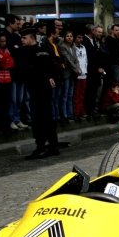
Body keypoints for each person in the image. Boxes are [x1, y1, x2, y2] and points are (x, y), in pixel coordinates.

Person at [20, 24, 59, 159]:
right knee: (46, 118)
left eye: (24, 38)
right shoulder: (41, 51)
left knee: (40, 119)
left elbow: (37, 71)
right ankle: (51, 145)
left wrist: (49, 78)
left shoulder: (33, 53)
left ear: (32, 38)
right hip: (40, 89)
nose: (22, 40)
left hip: (38, 90)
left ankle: (42, 146)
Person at [58, 30, 80, 121]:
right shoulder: (62, 47)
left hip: (72, 74)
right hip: (67, 72)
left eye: (71, 36)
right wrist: (76, 69)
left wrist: (78, 68)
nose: (69, 38)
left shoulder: (74, 47)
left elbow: (76, 60)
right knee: (65, 94)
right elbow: (68, 60)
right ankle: (64, 114)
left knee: (70, 95)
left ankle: (70, 113)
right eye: (67, 36)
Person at [82, 24, 104, 118]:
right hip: (90, 70)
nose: (97, 33)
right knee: (89, 91)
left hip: (96, 71)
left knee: (94, 91)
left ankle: (92, 110)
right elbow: (90, 56)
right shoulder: (85, 40)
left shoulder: (94, 41)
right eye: (96, 30)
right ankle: (88, 110)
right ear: (92, 31)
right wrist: (97, 67)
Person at [72, 32, 88, 120]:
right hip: (77, 74)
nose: (80, 39)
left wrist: (85, 70)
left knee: (82, 95)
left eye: (82, 37)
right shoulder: (73, 48)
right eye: (79, 37)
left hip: (84, 74)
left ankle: (82, 110)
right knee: (76, 95)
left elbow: (85, 60)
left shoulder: (83, 47)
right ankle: (76, 112)